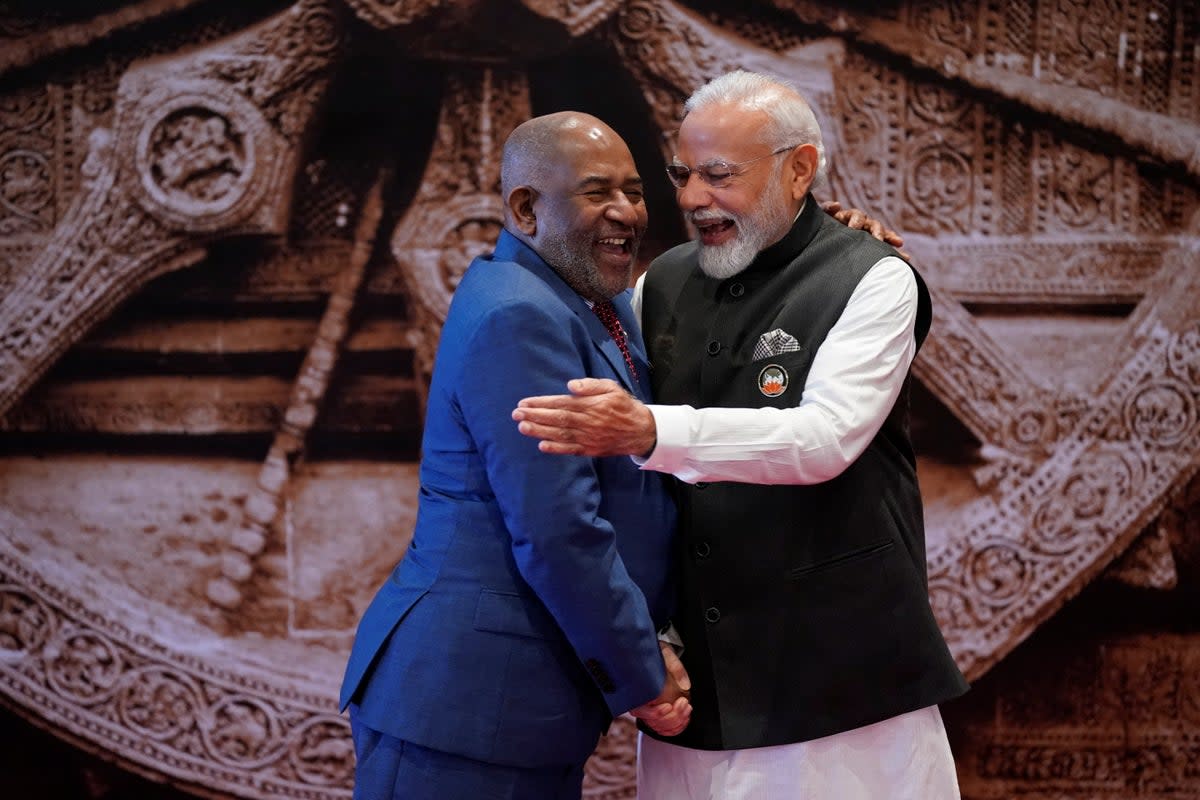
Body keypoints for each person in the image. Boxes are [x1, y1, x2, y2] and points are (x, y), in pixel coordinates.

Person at [512, 70, 969, 799]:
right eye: (684, 173)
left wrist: (647, 429)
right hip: (695, 682)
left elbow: (822, 440)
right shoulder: (660, 281)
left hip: (837, 679)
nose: (693, 197)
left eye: (720, 175)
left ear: (799, 169)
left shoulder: (874, 279)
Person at [339, 111, 692, 800]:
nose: (627, 211)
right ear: (526, 208)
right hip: (468, 709)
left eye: (635, 190)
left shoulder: (582, 298)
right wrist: (643, 673)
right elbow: (560, 531)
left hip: (510, 711)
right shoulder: (520, 316)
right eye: (597, 192)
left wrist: (816, 240)